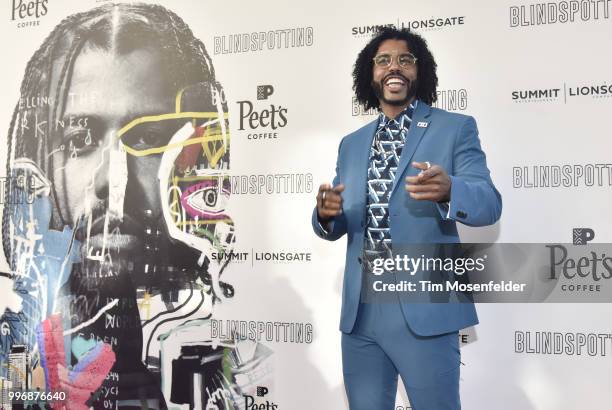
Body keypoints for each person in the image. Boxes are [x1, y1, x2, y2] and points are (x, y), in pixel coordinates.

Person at [1, 3, 245, 409]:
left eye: (148, 138)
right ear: (34, 162)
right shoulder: (16, 366)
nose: (113, 180)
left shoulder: (224, 372)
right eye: (80, 139)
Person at [312, 27, 502, 410]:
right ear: (370, 75)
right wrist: (325, 215)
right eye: (383, 60)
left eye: (405, 59)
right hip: (361, 315)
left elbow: (489, 204)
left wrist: (452, 190)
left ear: (421, 71)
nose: (393, 67)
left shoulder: (454, 128)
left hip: (425, 307)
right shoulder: (352, 143)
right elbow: (337, 218)